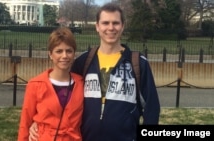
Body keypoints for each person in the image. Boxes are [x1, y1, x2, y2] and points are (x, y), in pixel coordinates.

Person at [29, 3, 160, 141]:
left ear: (123, 26)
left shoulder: (138, 63)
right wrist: (39, 122)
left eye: (115, 23)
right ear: (97, 26)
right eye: (105, 23)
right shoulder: (83, 61)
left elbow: (152, 108)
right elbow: (63, 100)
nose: (111, 28)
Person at [17, 27, 84, 141]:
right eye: (59, 51)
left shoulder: (81, 83)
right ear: (50, 54)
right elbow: (25, 122)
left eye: (69, 51)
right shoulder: (36, 84)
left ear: (74, 54)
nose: (64, 56)